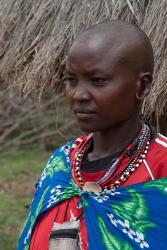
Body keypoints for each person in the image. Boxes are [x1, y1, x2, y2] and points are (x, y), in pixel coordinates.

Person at [18, 20, 167, 250]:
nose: (78, 95)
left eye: (98, 81)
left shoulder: (161, 167)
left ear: (143, 86)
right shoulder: (61, 163)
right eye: (71, 81)